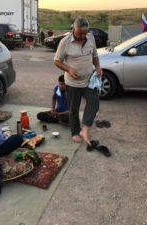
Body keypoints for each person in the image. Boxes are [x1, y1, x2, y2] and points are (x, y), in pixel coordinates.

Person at [54, 17, 103, 145]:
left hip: (89, 81)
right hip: (72, 83)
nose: (82, 36)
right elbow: (57, 61)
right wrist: (69, 69)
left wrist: (98, 67)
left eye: (84, 33)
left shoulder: (91, 38)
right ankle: (75, 132)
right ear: (73, 29)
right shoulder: (65, 42)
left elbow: (95, 55)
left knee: (94, 103)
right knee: (73, 109)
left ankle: (85, 129)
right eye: (79, 33)